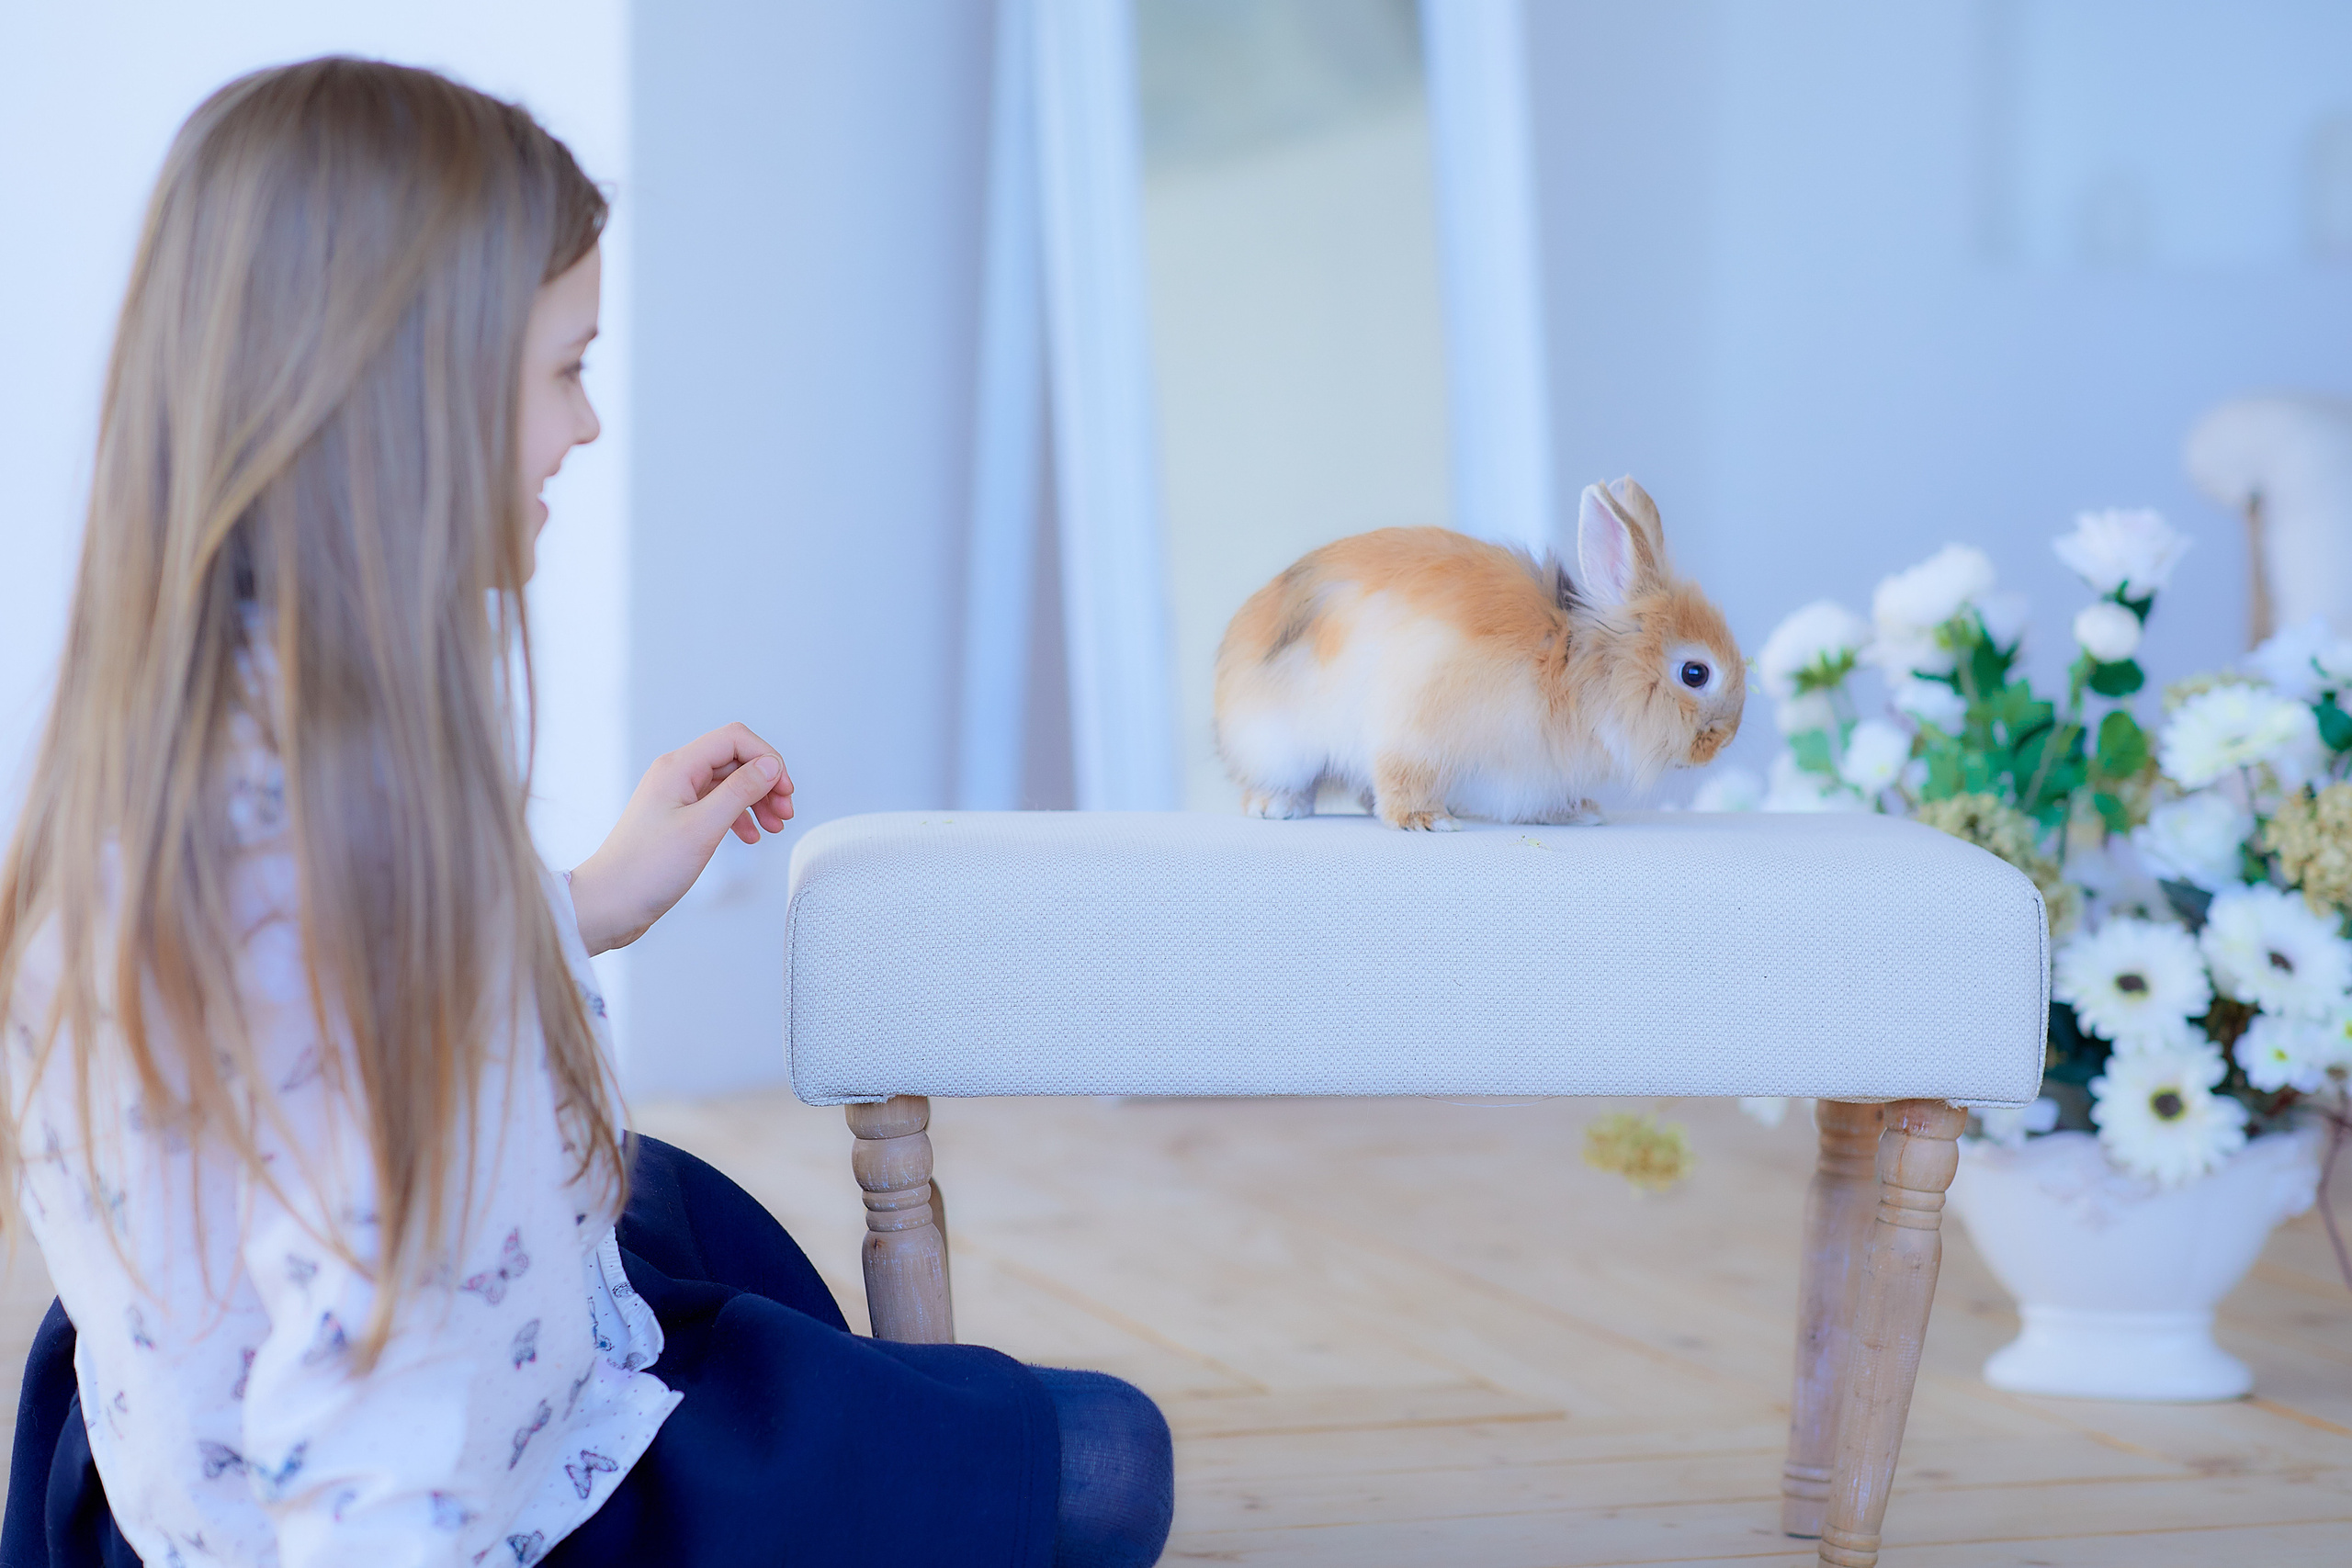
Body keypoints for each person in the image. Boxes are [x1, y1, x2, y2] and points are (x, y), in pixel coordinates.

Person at [0, 57, 1170, 1568]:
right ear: (405, 396)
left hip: (170, 1457)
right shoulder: (353, 854)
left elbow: (309, 1062)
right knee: (1101, 1462)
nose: (588, 426)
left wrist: (591, 899)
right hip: (424, 1502)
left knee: (677, 1198)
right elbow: (385, 1423)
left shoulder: (200, 737)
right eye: (564, 369)